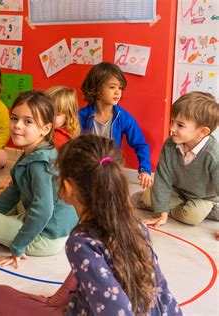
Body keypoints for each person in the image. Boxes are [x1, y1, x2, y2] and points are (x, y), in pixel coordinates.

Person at [60, 134, 181, 315]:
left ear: (67, 186)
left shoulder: (81, 242)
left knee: (1, 295)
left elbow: (116, 309)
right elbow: (160, 288)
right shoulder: (136, 223)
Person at [0, 91, 78, 269]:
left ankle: (8, 232)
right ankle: (0, 225)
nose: (17, 126)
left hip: (45, 238)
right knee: (11, 203)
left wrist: (17, 247)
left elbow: (43, 211)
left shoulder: (39, 164)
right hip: (58, 227)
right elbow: (14, 190)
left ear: (46, 129)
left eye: (28, 121)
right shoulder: (36, 150)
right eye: (14, 118)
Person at [140, 92, 218, 229]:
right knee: (148, 197)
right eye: (172, 122)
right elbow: (163, 178)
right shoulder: (170, 144)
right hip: (178, 192)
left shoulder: (213, 153)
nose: (171, 129)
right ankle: (165, 205)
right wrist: (162, 214)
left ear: (202, 132)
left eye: (180, 125)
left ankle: (211, 209)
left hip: (203, 198)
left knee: (191, 216)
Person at [79, 62, 153, 189]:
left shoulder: (123, 117)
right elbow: (74, 144)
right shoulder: (82, 115)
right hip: (88, 168)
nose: (117, 92)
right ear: (96, 89)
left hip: (112, 169)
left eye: (120, 88)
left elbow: (141, 144)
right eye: (112, 87)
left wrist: (145, 170)